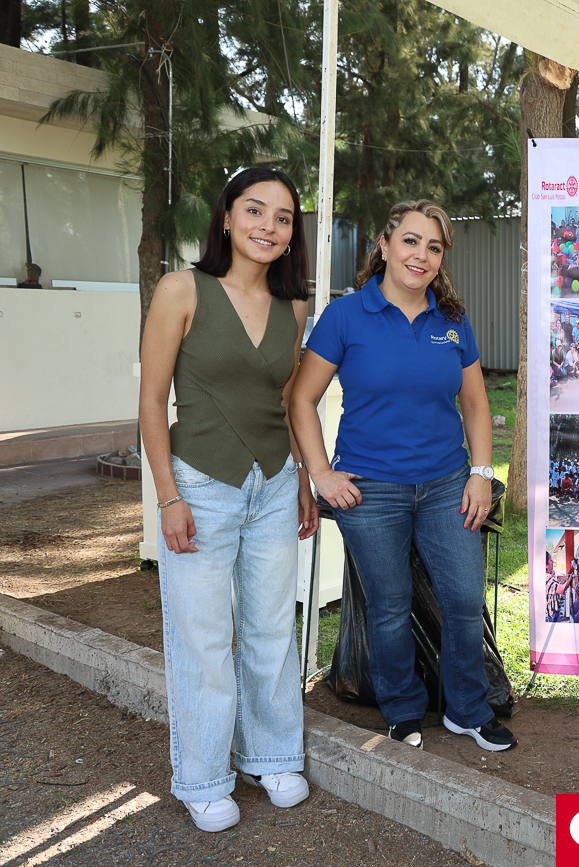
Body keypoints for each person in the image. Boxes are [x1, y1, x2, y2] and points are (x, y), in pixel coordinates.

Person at [289, 199, 517, 754]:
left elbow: (476, 405)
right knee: (389, 606)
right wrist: (321, 474)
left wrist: (481, 472)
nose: (421, 255)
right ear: (385, 245)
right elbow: (301, 398)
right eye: (411, 241)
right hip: (370, 491)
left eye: (433, 247)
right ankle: (402, 709)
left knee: (463, 600)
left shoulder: (452, 321)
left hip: (447, 485)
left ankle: (467, 710)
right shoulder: (346, 316)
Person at [139, 167, 317, 832]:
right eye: (255, 210)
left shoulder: (294, 306)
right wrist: (167, 497)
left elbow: (284, 402)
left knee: (272, 628)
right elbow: (151, 400)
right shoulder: (181, 290)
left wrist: (302, 477)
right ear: (226, 216)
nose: (268, 226)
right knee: (204, 637)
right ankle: (204, 776)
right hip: (199, 484)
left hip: (274, 482)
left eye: (283, 217)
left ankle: (270, 754)